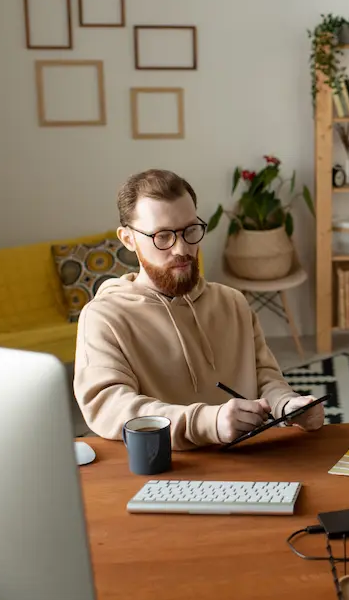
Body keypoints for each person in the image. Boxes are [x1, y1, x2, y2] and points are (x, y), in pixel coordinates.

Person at [73, 169, 324, 450]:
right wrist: (206, 422)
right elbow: (109, 407)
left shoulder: (232, 302)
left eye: (190, 230)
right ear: (128, 239)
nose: (182, 248)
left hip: (254, 460)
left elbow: (264, 377)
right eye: (163, 236)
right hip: (168, 470)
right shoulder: (103, 317)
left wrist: (287, 405)